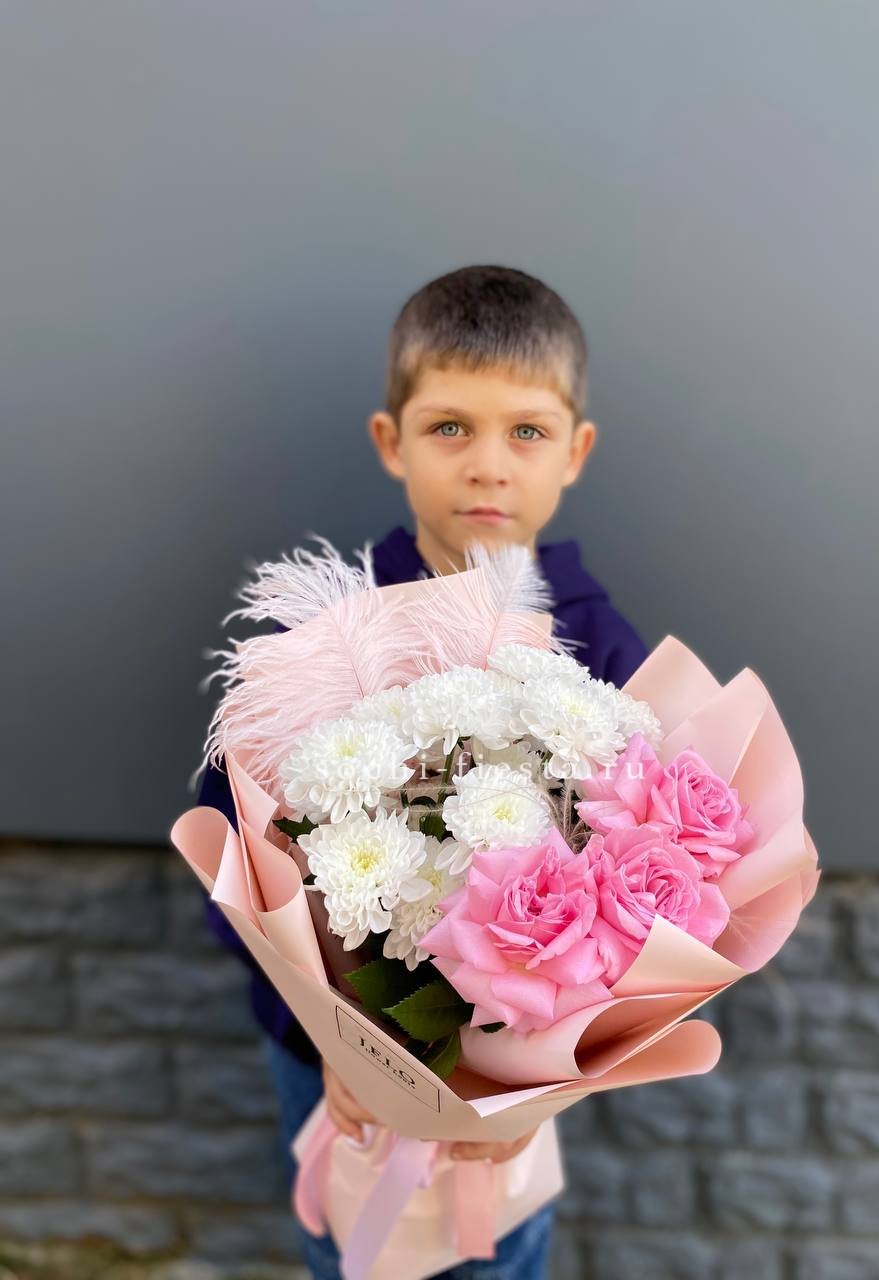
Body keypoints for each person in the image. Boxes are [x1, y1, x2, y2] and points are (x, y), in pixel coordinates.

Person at [195, 264, 650, 1279]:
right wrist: (331, 1041)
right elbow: (233, 850)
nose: (488, 466)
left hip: (513, 1076)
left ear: (575, 450)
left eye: (526, 431)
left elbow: (643, 894)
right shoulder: (329, 631)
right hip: (329, 1064)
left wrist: (541, 1076)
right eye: (450, 427)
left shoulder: (606, 655)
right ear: (391, 440)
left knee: (499, 1254)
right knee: (351, 1250)